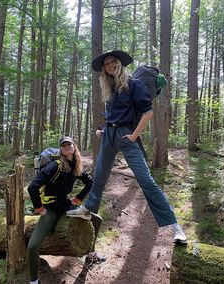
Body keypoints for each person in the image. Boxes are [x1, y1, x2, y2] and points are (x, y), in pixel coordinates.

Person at [66, 50, 187, 245]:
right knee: (99, 177)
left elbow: (147, 113)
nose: (110, 66)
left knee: (146, 181)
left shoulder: (134, 84)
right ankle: (88, 210)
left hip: (126, 137)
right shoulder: (111, 88)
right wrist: (103, 130)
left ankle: (175, 226)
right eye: (106, 64)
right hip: (109, 136)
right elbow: (113, 115)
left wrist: (134, 136)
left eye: (113, 62)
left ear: (120, 63)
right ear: (104, 70)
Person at [27, 136, 103, 284]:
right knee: (33, 246)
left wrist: (79, 199)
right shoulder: (54, 166)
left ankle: (91, 253)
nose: (67, 146)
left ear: (74, 147)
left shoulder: (76, 166)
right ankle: (34, 281)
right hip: (50, 209)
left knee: (97, 220)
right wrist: (39, 209)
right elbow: (32, 187)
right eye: (64, 145)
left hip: (67, 206)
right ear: (61, 149)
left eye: (70, 144)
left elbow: (90, 182)